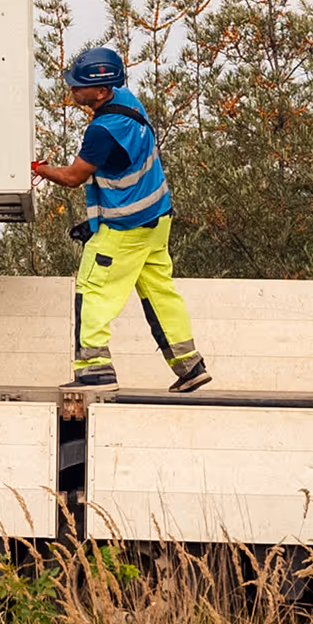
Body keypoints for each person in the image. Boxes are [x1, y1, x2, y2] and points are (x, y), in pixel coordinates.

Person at [32, 47, 212, 392]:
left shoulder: (103, 130)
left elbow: (73, 177)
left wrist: (40, 169)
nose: (72, 90)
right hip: (157, 219)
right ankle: (190, 366)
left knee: (93, 288)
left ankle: (94, 371)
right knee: (160, 293)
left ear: (101, 92)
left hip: (125, 227)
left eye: (79, 86)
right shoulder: (128, 100)